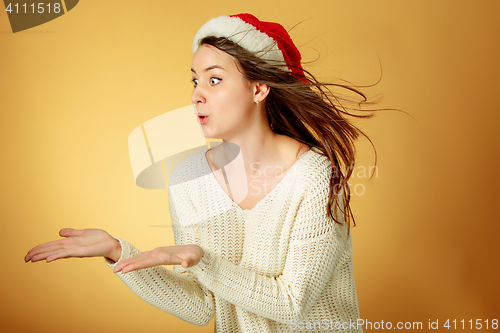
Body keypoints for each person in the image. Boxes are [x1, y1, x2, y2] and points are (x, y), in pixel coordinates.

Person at [25, 13, 376, 333]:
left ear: (258, 88)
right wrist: (119, 252)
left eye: (214, 80)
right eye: (194, 81)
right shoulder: (190, 178)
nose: (196, 95)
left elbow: (291, 304)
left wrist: (201, 260)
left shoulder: (313, 175)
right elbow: (201, 305)